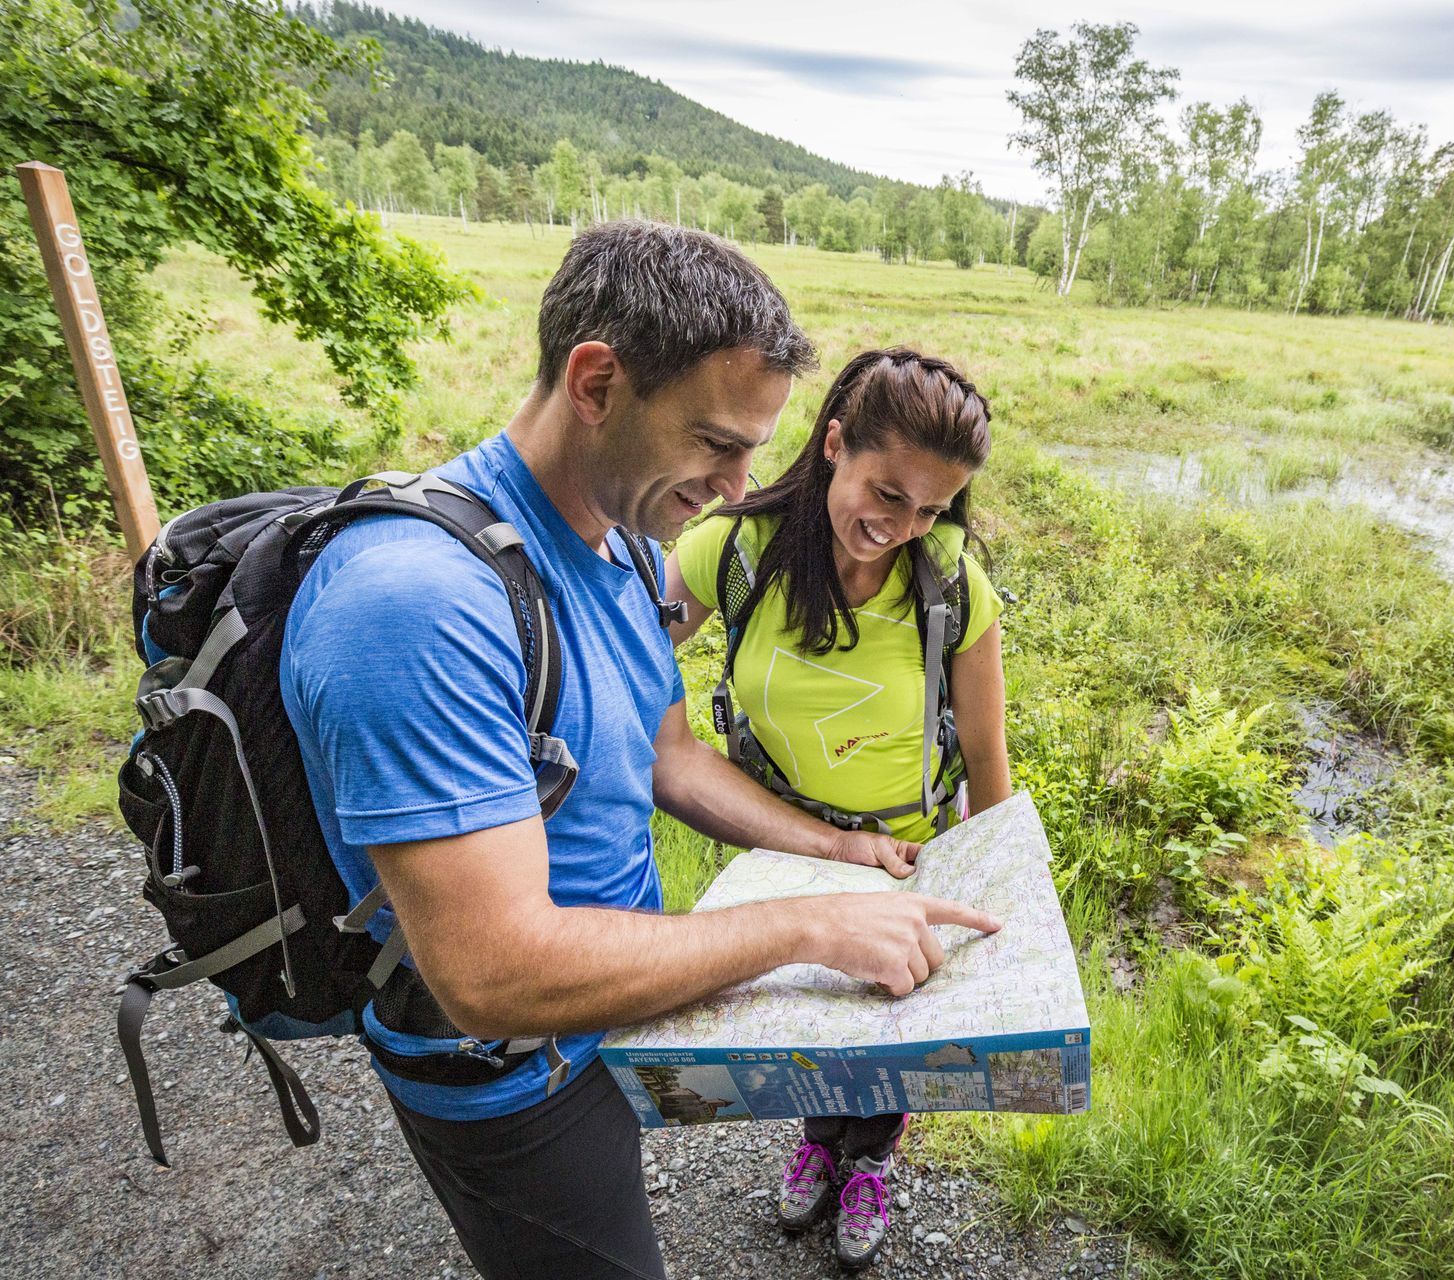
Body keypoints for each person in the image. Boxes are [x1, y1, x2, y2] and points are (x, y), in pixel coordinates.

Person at [280, 222, 999, 1280]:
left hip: (606, 1023)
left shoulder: (617, 548)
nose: (740, 480)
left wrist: (836, 852)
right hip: (514, 1077)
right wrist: (806, 923)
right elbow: (490, 970)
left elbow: (670, 756)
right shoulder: (418, 605)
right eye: (716, 442)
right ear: (597, 381)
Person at [664, 347, 1011, 1269]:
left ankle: (869, 1159)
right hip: (779, 845)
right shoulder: (732, 550)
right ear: (832, 446)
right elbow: (625, 663)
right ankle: (820, 1142)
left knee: (886, 1020)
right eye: (887, 493)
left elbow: (987, 757)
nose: (901, 527)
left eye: (933, 509)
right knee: (805, 1014)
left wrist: (995, 881)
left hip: (905, 861)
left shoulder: (949, 586)